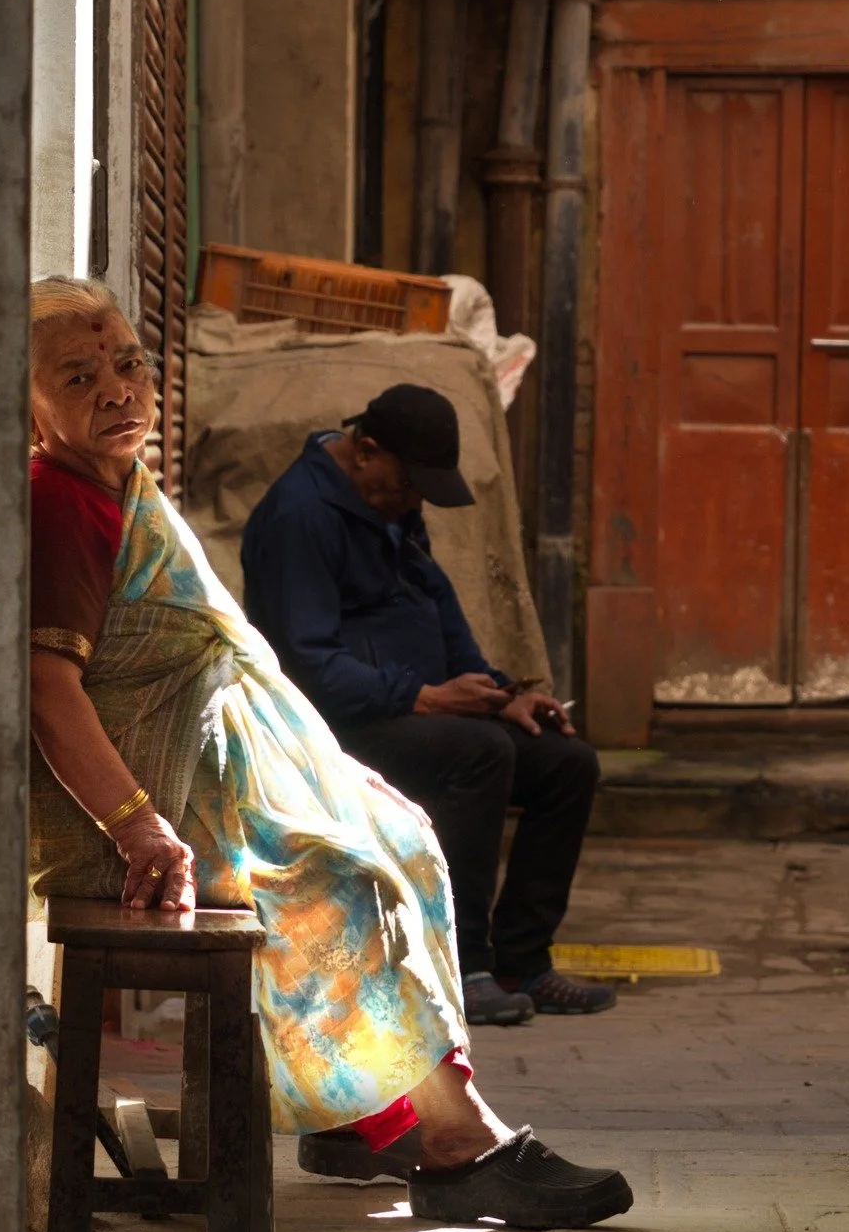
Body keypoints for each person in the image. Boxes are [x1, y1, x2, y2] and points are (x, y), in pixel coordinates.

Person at [26, 276, 631, 1223]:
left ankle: (369, 1117)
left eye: (131, 364)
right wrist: (141, 830)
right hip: (139, 809)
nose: (119, 389)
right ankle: (451, 1141)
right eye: (79, 374)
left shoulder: (120, 485)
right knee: (346, 878)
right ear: (24, 401)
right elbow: (46, 687)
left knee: (402, 833)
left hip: (200, 780)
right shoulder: (59, 501)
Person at [240, 385, 616, 1026]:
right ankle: (461, 967)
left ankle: (523, 963)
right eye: (408, 482)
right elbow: (307, 664)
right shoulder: (298, 517)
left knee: (565, 761)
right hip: (334, 729)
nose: (414, 499)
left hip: (409, 709)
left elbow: (437, 613)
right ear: (365, 450)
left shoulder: (388, 504)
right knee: (479, 755)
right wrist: (424, 697)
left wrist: (501, 693)